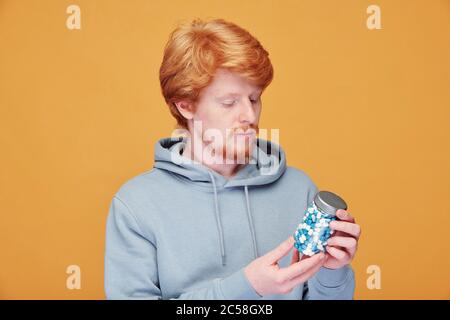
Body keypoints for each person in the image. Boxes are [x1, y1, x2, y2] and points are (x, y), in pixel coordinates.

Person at [104, 18, 361, 300]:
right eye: (229, 102)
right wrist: (247, 287)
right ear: (186, 105)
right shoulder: (136, 205)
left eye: (254, 98)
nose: (250, 117)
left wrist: (334, 272)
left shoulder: (299, 189)